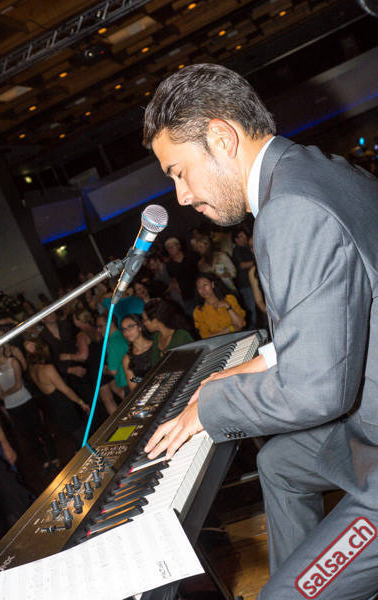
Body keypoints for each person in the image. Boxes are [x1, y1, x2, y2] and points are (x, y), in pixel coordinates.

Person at [142, 63, 378, 600]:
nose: (181, 196)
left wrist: (210, 407)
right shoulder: (313, 171)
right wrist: (243, 370)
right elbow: (337, 314)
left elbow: (315, 392)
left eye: (179, 172)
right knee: (279, 463)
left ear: (222, 138)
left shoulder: (290, 208)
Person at [24, 338, 89, 450]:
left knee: (76, 438)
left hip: (54, 407)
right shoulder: (47, 368)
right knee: (82, 438)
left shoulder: (32, 369)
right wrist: (81, 403)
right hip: (63, 406)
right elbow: (66, 390)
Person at [59, 309, 118, 416]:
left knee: (107, 399)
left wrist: (67, 356)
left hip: (96, 369)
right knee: (118, 390)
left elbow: (83, 356)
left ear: (78, 321)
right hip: (106, 363)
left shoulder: (82, 335)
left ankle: (121, 421)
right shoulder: (97, 329)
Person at [193, 273, 246, 339]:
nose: (203, 290)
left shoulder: (229, 299)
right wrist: (229, 329)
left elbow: (240, 325)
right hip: (217, 343)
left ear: (212, 284)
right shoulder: (198, 311)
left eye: (205, 285)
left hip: (237, 338)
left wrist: (228, 307)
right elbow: (205, 337)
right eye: (199, 287)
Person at [142, 299, 193, 365]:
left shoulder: (181, 335)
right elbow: (154, 365)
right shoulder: (156, 337)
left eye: (145, 320)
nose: (143, 323)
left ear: (155, 321)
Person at [96, 313, 128, 401]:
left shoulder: (113, 342)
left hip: (127, 382)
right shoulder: (123, 334)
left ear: (111, 323)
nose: (98, 330)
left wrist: (104, 370)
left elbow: (113, 371)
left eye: (100, 326)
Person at [232, 227, 257, 328]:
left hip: (252, 282)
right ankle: (253, 328)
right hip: (246, 284)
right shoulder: (237, 250)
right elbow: (241, 265)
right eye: (241, 236)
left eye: (244, 235)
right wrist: (256, 262)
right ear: (236, 239)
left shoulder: (247, 247)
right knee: (252, 308)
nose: (244, 237)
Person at [121, 314, 153, 391]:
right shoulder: (127, 359)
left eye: (130, 326)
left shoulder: (156, 344)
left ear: (140, 327)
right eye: (124, 329)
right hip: (148, 391)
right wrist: (143, 381)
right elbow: (133, 383)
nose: (126, 331)